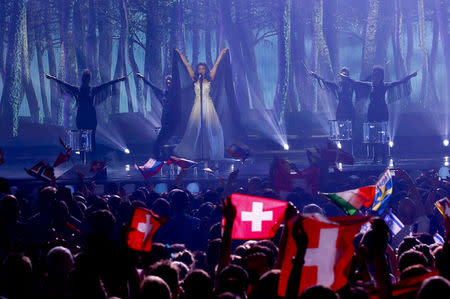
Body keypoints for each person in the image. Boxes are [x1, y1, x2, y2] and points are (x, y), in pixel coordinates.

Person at [342, 66, 417, 163]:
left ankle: (385, 156)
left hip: (382, 112)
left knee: (382, 135)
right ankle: (376, 157)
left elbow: (398, 82)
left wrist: (410, 76)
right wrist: (346, 78)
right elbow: (356, 82)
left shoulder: (385, 85)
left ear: (381, 76)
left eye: (377, 75)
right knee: (373, 135)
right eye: (374, 75)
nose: (375, 77)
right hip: (372, 112)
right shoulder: (370, 85)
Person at [45, 70, 127, 155]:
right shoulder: (78, 89)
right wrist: (53, 78)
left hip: (89, 117)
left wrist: (119, 79)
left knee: (91, 138)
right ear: (84, 80)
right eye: (86, 79)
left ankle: (91, 158)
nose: (86, 80)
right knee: (82, 137)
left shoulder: (91, 90)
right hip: (82, 117)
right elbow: (64, 84)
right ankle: (83, 159)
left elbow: (106, 85)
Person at [173, 49, 229, 160]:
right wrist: (180, 54)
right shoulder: (194, 78)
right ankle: (194, 153)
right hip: (198, 106)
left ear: (205, 70)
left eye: (203, 68)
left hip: (208, 105)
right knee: (195, 129)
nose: (201, 70)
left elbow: (216, 64)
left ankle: (210, 153)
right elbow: (186, 65)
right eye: (199, 68)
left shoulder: (210, 78)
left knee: (209, 129)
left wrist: (221, 54)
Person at [136, 73, 175, 159]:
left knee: (165, 140)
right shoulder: (164, 93)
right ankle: (160, 156)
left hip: (173, 120)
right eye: (167, 83)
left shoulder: (175, 94)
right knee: (159, 142)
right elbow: (152, 86)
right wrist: (143, 78)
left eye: (170, 83)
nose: (169, 84)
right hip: (165, 119)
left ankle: (165, 156)